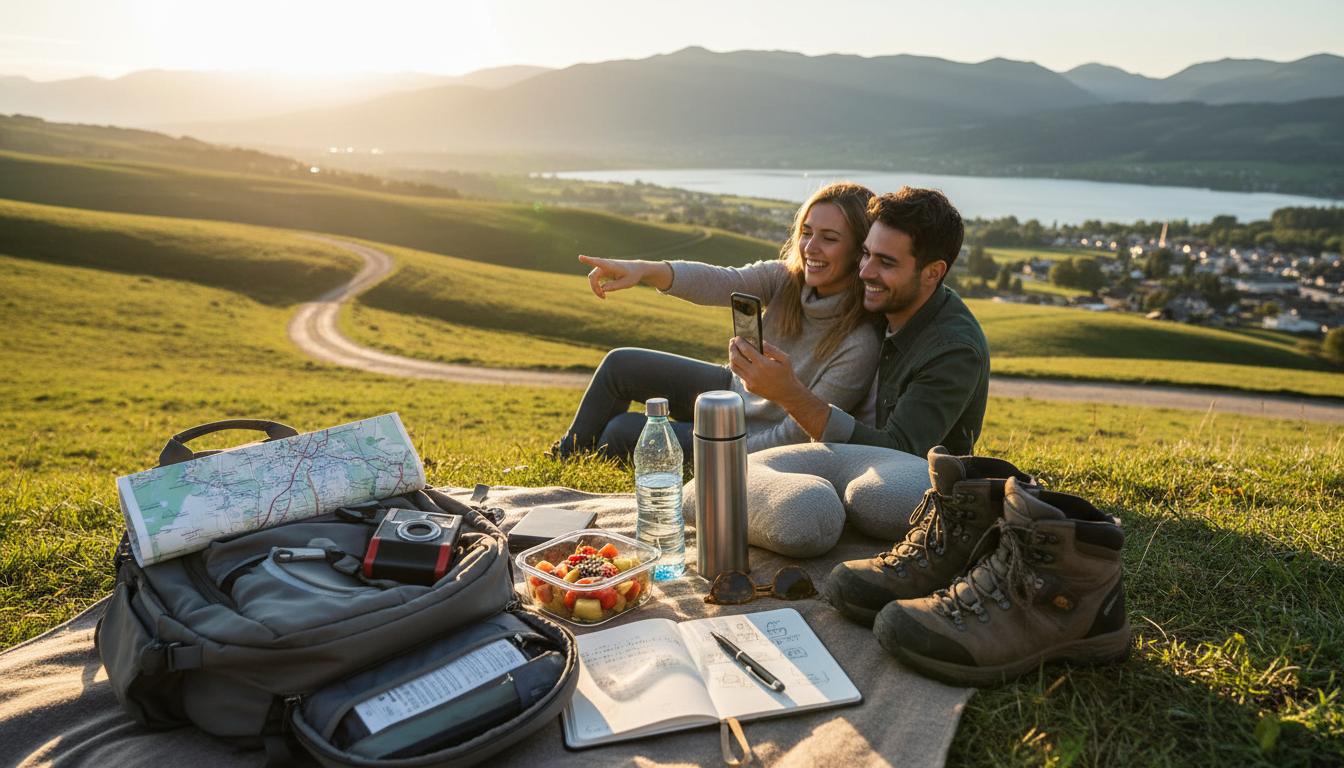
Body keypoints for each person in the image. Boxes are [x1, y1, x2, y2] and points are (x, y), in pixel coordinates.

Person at [550, 181, 882, 460]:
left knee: (620, 431)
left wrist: (724, 454)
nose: (811, 247)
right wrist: (644, 270)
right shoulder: (785, 278)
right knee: (619, 364)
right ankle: (565, 457)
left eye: (830, 238)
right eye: (807, 232)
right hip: (729, 390)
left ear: (859, 251)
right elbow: (720, 281)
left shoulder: (860, 343)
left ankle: (595, 455)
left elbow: (796, 436)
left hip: (748, 436)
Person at [729, 186, 989, 457]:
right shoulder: (888, 304)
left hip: (903, 483)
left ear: (933, 273)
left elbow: (898, 452)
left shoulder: (952, 350)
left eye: (886, 263)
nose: (864, 272)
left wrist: (790, 394)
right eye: (866, 253)